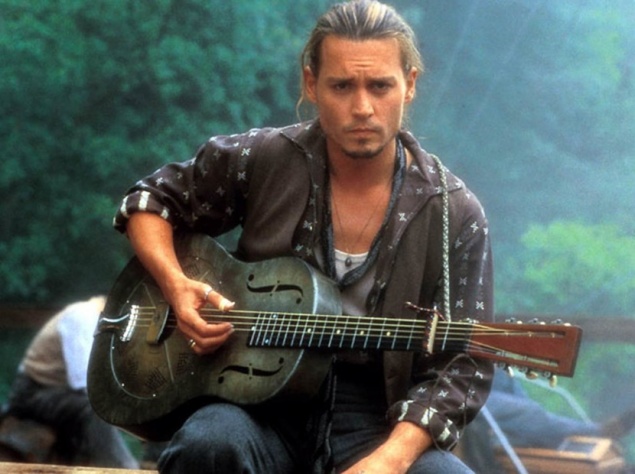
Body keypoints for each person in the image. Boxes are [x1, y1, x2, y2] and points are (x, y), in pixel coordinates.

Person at [112, 1, 494, 472]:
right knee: (208, 444)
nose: (362, 107)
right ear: (311, 84)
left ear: (410, 84)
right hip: (254, 404)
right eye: (341, 86)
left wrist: (390, 460)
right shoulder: (263, 157)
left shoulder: (455, 213)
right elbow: (148, 202)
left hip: (378, 419)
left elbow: (464, 365)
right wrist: (175, 285)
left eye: (380, 86)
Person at [3, 296, 139, 468]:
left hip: (58, 393)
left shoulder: (94, 321)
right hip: (32, 394)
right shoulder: (82, 316)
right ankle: (124, 469)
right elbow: (82, 382)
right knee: (93, 409)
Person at [460, 368, 635, 472]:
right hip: (461, 395)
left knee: (503, 374)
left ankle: (595, 430)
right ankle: (596, 430)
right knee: (528, 412)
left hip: (471, 384)